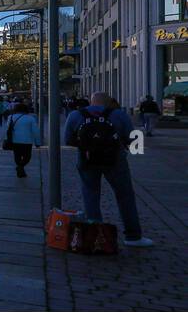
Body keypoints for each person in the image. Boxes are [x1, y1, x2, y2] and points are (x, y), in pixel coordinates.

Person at [63, 92, 153, 248]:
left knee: (90, 193)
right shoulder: (119, 114)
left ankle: (95, 232)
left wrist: (87, 146)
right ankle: (133, 236)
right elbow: (133, 139)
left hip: (86, 159)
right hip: (115, 160)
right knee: (125, 195)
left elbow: (68, 139)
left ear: (91, 102)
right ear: (108, 102)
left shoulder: (76, 115)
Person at [3, 101, 40, 178]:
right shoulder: (31, 118)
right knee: (27, 157)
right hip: (27, 141)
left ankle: (20, 167)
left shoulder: (11, 117)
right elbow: (35, 131)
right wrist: (37, 142)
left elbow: (8, 129)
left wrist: (6, 139)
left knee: (17, 155)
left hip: (15, 140)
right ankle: (21, 167)